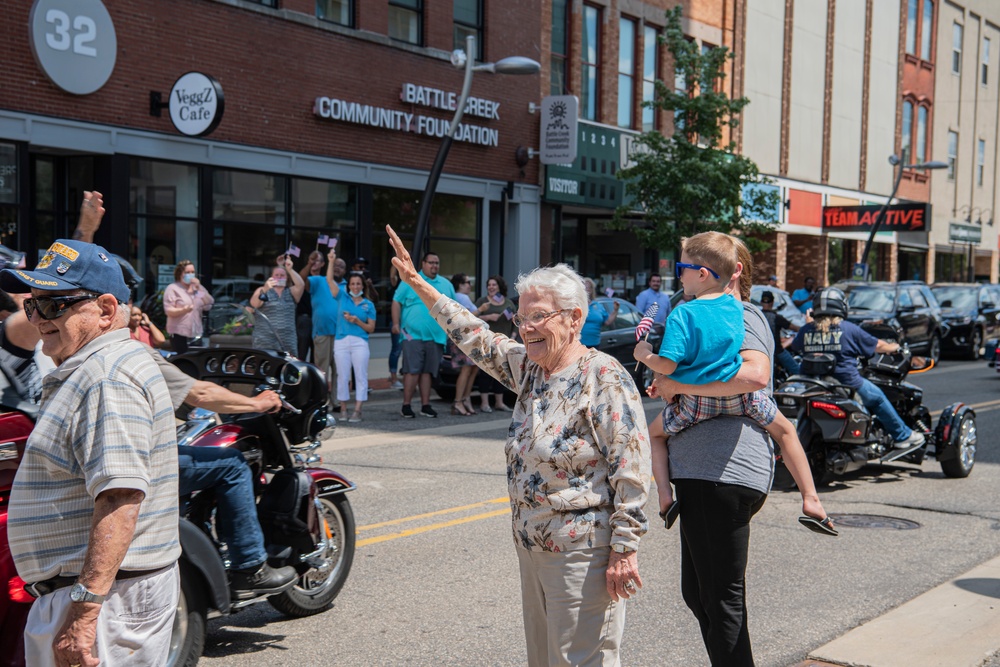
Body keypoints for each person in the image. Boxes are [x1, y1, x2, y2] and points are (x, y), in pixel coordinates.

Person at [386, 224, 650, 667]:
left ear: (574, 318)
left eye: (538, 316)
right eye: (521, 317)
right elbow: (472, 334)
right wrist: (418, 284)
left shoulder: (603, 377)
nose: (526, 327)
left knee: (580, 660)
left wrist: (625, 547)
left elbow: (632, 467)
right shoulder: (530, 369)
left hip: (582, 549)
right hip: (533, 545)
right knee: (544, 661)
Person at [648, 236, 830, 667]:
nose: (682, 274)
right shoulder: (710, 314)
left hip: (721, 473)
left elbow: (754, 375)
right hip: (704, 474)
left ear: (730, 273)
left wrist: (676, 386)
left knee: (721, 600)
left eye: (687, 266)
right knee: (700, 595)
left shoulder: (741, 314)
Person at [2, 239, 180, 666]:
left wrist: (83, 614)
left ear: (104, 310)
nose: (39, 318)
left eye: (54, 305)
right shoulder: (96, 367)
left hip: (102, 602)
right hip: (99, 594)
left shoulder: (106, 378)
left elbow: (120, 498)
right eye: (33, 305)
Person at [788, 286, 926, 450]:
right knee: (878, 398)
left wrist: (808, 327)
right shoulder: (848, 329)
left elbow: (795, 347)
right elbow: (878, 345)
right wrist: (894, 347)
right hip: (846, 383)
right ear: (841, 306)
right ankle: (902, 435)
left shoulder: (806, 330)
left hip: (813, 384)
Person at [392, 251, 455, 418]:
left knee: (428, 372)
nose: (434, 266)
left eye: (437, 263)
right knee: (412, 371)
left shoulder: (446, 284)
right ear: (423, 264)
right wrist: (396, 323)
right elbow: (396, 301)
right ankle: (406, 405)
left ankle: (425, 405)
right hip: (411, 335)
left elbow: (452, 309)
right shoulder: (410, 280)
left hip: (436, 337)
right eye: (431, 262)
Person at [329, 268, 376, 423]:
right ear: (348, 286)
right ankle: (343, 409)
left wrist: (357, 321)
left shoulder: (368, 305)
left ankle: (357, 410)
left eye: (358, 284)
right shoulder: (342, 297)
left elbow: (371, 328)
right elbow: (329, 280)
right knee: (342, 376)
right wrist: (330, 261)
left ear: (363, 286)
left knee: (361, 375)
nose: (355, 287)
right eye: (352, 284)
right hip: (341, 341)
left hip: (360, 342)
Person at [302, 250, 345, 408]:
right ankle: (321, 401)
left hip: (341, 335)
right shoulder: (318, 281)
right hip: (322, 333)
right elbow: (301, 281)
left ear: (344, 271)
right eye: (335, 265)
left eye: (341, 266)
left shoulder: (349, 285)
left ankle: (336, 401)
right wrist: (309, 264)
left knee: (339, 371)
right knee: (322, 371)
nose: (337, 268)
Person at [474, 274, 516, 412]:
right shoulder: (482, 302)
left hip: (503, 344)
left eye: (494, 285)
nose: (491, 287)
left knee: (502, 372)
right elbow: (471, 318)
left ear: (499, 287)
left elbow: (515, 322)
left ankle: (499, 402)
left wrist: (513, 337)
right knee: (486, 372)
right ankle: (484, 403)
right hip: (485, 343)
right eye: (489, 285)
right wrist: (487, 316)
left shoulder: (508, 303)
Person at [250, 254, 305, 353]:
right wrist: (265, 289)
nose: (279, 277)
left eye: (282, 275)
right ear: (271, 277)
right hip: (265, 340)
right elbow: (254, 304)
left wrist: (290, 269)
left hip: (287, 340)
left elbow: (301, 284)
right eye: (276, 275)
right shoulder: (262, 290)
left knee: (288, 367)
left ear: (287, 278)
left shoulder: (291, 292)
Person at [163, 259, 214, 353]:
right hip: (178, 333)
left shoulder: (197, 288)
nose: (190, 275)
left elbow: (208, 304)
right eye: (187, 272)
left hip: (196, 332)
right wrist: (183, 310)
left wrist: (198, 288)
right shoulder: (173, 289)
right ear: (180, 274)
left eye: (192, 272)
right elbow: (168, 310)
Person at [449, 273, 480, 415]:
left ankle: (464, 399)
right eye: (467, 282)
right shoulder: (462, 297)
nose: (470, 285)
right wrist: (484, 309)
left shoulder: (458, 297)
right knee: (467, 369)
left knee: (473, 368)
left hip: (463, 336)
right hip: (463, 337)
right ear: (460, 284)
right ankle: (458, 401)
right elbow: (471, 316)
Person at [759, 290, 800, 376]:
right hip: (777, 351)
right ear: (773, 302)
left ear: (761, 302)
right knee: (798, 371)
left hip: (760, 351)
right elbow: (794, 328)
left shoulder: (757, 316)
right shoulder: (776, 317)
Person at [296, 249, 326, 361]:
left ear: (323, 264)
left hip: (319, 322)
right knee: (301, 355)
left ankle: (313, 378)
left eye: (317, 261)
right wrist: (309, 263)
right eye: (311, 260)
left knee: (316, 357)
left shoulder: (325, 281)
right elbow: (301, 279)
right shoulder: (303, 277)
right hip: (305, 320)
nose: (314, 263)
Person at [581, 277, 619, 347]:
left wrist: (615, 310)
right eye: (584, 287)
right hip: (579, 345)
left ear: (592, 290)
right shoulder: (577, 305)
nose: (587, 290)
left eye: (589, 287)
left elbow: (607, 322)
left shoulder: (598, 306)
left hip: (595, 344)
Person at [387, 265, 404, 390]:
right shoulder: (398, 281)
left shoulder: (414, 280)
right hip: (397, 321)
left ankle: (407, 378)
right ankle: (393, 378)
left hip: (410, 323)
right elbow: (392, 275)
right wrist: (398, 259)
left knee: (408, 351)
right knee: (396, 350)